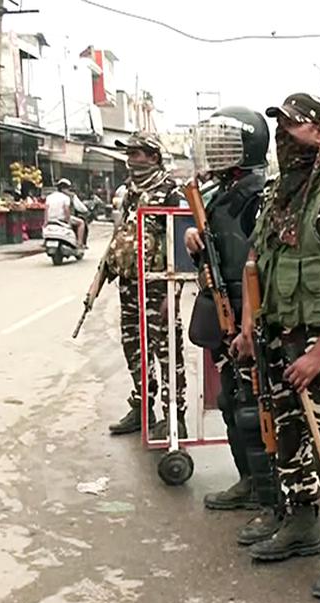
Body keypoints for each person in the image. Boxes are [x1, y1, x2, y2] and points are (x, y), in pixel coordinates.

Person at [231, 93, 320, 599]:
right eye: (281, 130)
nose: (283, 140)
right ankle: (299, 523)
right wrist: (249, 328)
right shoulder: (277, 195)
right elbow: (256, 263)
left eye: (292, 129)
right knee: (288, 440)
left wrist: (319, 354)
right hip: (278, 338)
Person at [183, 106, 283, 546]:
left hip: (250, 320)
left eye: (227, 140)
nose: (216, 148)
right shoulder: (221, 191)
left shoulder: (257, 194)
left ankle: (271, 500)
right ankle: (248, 482)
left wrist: (250, 324)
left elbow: (258, 261)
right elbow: (221, 253)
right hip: (223, 316)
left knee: (253, 411)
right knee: (230, 403)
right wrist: (196, 246)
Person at [105, 133, 189, 440]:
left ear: (153, 156)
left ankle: (174, 416)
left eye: (137, 153)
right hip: (130, 283)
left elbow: (183, 243)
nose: (130, 159)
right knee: (134, 347)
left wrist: (175, 290)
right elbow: (121, 234)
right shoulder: (129, 190)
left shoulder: (171, 191)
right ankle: (142, 406)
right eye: (129, 153)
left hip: (158, 285)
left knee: (167, 352)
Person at [46, 178, 87, 248]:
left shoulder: (50, 196)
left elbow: (46, 209)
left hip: (51, 219)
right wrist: (68, 222)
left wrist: (46, 221)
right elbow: (67, 210)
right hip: (62, 219)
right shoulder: (69, 197)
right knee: (81, 223)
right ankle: (80, 243)